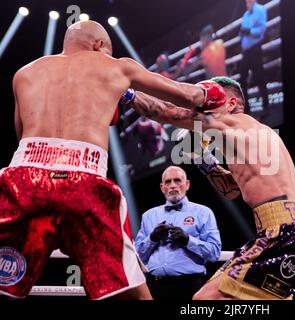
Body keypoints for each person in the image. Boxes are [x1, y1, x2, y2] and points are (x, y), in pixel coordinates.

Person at [0, 20, 226, 300]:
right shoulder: (117, 66)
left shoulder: (24, 73)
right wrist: (213, 95)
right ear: (99, 46)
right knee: (133, 296)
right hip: (83, 181)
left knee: (5, 287)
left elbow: (21, 134)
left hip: (23, 179)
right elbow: (187, 96)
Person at [127, 76, 295, 300]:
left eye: (211, 103)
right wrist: (202, 157)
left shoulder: (235, 123)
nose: (204, 110)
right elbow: (232, 190)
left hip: (282, 234)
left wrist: (127, 93)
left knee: (204, 300)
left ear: (230, 103)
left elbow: (168, 113)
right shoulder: (258, 135)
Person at [134, 166, 221, 300]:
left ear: (187, 184)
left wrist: (188, 240)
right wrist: (152, 238)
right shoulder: (149, 216)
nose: (173, 185)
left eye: (177, 180)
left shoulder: (203, 212)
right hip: (156, 288)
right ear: (162, 187)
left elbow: (214, 253)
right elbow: (139, 256)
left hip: (191, 286)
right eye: (168, 182)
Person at [239, 0, 269, 117]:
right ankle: (247, 110)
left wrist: (250, 31)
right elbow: (242, 32)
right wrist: (242, 35)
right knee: (242, 78)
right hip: (246, 51)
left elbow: (262, 29)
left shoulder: (260, 9)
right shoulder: (245, 15)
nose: (247, 2)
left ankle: (266, 107)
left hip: (255, 49)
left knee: (259, 77)